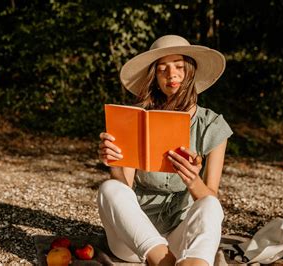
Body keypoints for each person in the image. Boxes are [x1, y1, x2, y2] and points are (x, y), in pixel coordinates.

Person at [97, 35, 233, 266]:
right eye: (163, 70)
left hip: (180, 238)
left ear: (191, 70)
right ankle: (162, 261)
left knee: (211, 204)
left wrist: (192, 181)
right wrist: (115, 164)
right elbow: (124, 189)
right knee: (109, 188)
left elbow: (210, 199)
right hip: (135, 240)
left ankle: (194, 263)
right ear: (155, 78)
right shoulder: (135, 119)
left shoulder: (212, 125)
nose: (172, 75)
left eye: (179, 66)